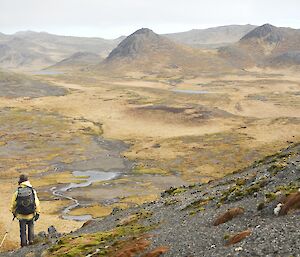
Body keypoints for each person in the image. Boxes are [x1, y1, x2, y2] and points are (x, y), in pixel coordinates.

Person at [10, 174, 41, 247]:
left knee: (22, 231)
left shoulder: (17, 192)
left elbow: (13, 204)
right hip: (31, 214)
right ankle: (31, 241)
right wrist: (37, 213)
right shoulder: (32, 190)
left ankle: (23, 244)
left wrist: (14, 212)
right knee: (31, 227)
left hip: (21, 215)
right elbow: (37, 203)